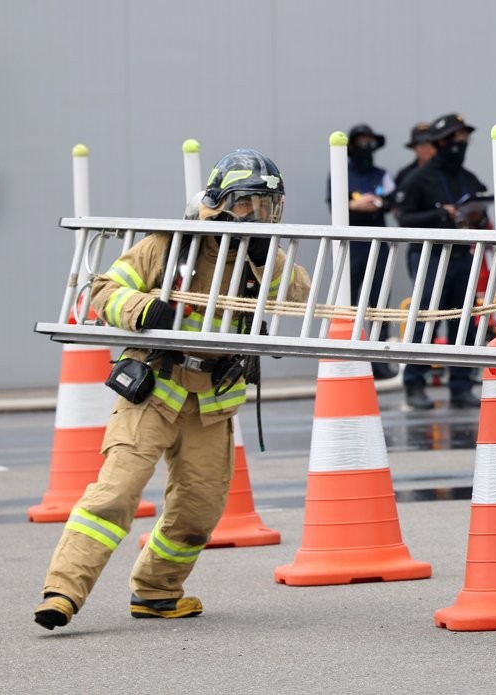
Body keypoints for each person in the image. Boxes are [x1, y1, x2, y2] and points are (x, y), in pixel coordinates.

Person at [33, 149, 311, 631]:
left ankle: (158, 591)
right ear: (221, 202)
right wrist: (142, 309)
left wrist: (270, 267)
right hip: (155, 388)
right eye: (249, 204)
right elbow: (102, 290)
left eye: (268, 207)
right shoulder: (171, 244)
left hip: (211, 401)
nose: (260, 216)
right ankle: (62, 591)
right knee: (115, 495)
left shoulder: (264, 258)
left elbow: (301, 299)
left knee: (200, 508)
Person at [393, 113, 487, 411]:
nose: (460, 145)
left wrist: (475, 215)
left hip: (462, 257)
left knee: (463, 322)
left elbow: (483, 204)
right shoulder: (418, 178)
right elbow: (404, 219)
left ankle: (460, 386)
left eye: (464, 139)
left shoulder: (466, 176)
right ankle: (414, 383)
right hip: (430, 256)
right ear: (440, 142)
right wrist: (440, 215)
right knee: (426, 322)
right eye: (454, 139)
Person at [327, 123, 399, 380]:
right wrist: (355, 205)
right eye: (361, 142)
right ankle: (351, 355)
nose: (366, 148)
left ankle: (379, 360)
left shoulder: (382, 174)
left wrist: (376, 203)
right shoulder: (340, 173)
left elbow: (392, 200)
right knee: (349, 301)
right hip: (352, 246)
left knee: (379, 302)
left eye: (370, 142)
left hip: (377, 245)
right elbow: (334, 204)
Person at [395, 122, 437, 188]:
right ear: (414, 148)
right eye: (422, 145)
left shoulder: (447, 172)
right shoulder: (405, 174)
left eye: (430, 144)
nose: (427, 149)